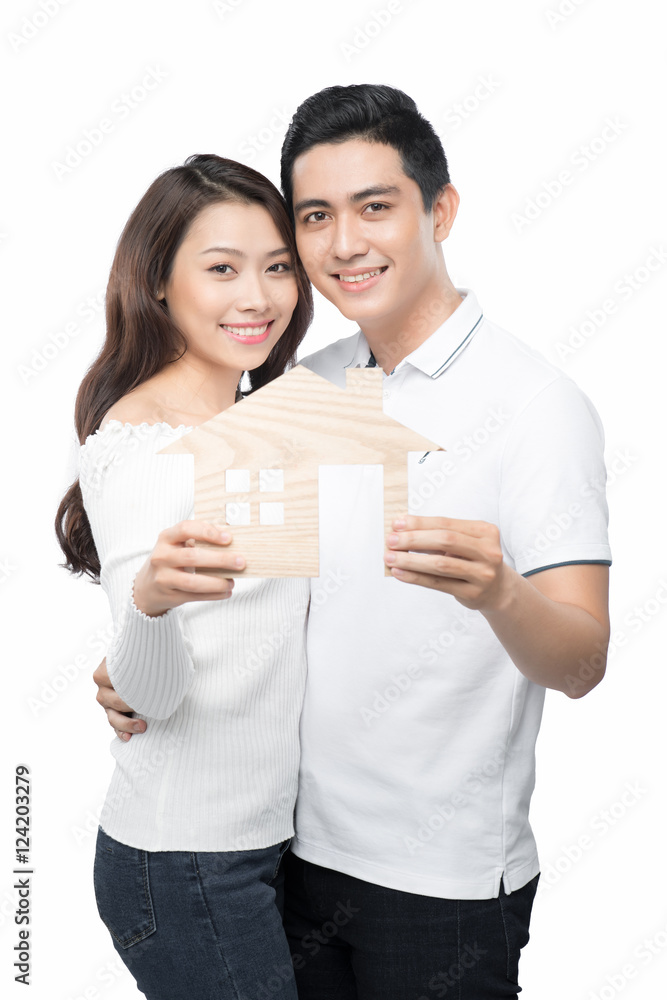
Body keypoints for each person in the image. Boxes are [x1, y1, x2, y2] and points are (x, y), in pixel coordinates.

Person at [96, 86, 612, 999]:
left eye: (376, 206)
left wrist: (500, 591)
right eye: (316, 217)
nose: (343, 244)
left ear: (439, 209)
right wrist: (134, 656)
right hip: (288, 853)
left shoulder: (538, 407)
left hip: (441, 881)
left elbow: (579, 663)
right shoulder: (301, 389)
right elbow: (230, 589)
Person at [56, 153, 314, 1000]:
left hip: (262, 843)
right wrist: (150, 608)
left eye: (277, 266)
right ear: (158, 282)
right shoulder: (149, 447)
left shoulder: (258, 418)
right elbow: (151, 698)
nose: (258, 296)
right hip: (186, 861)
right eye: (222, 269)